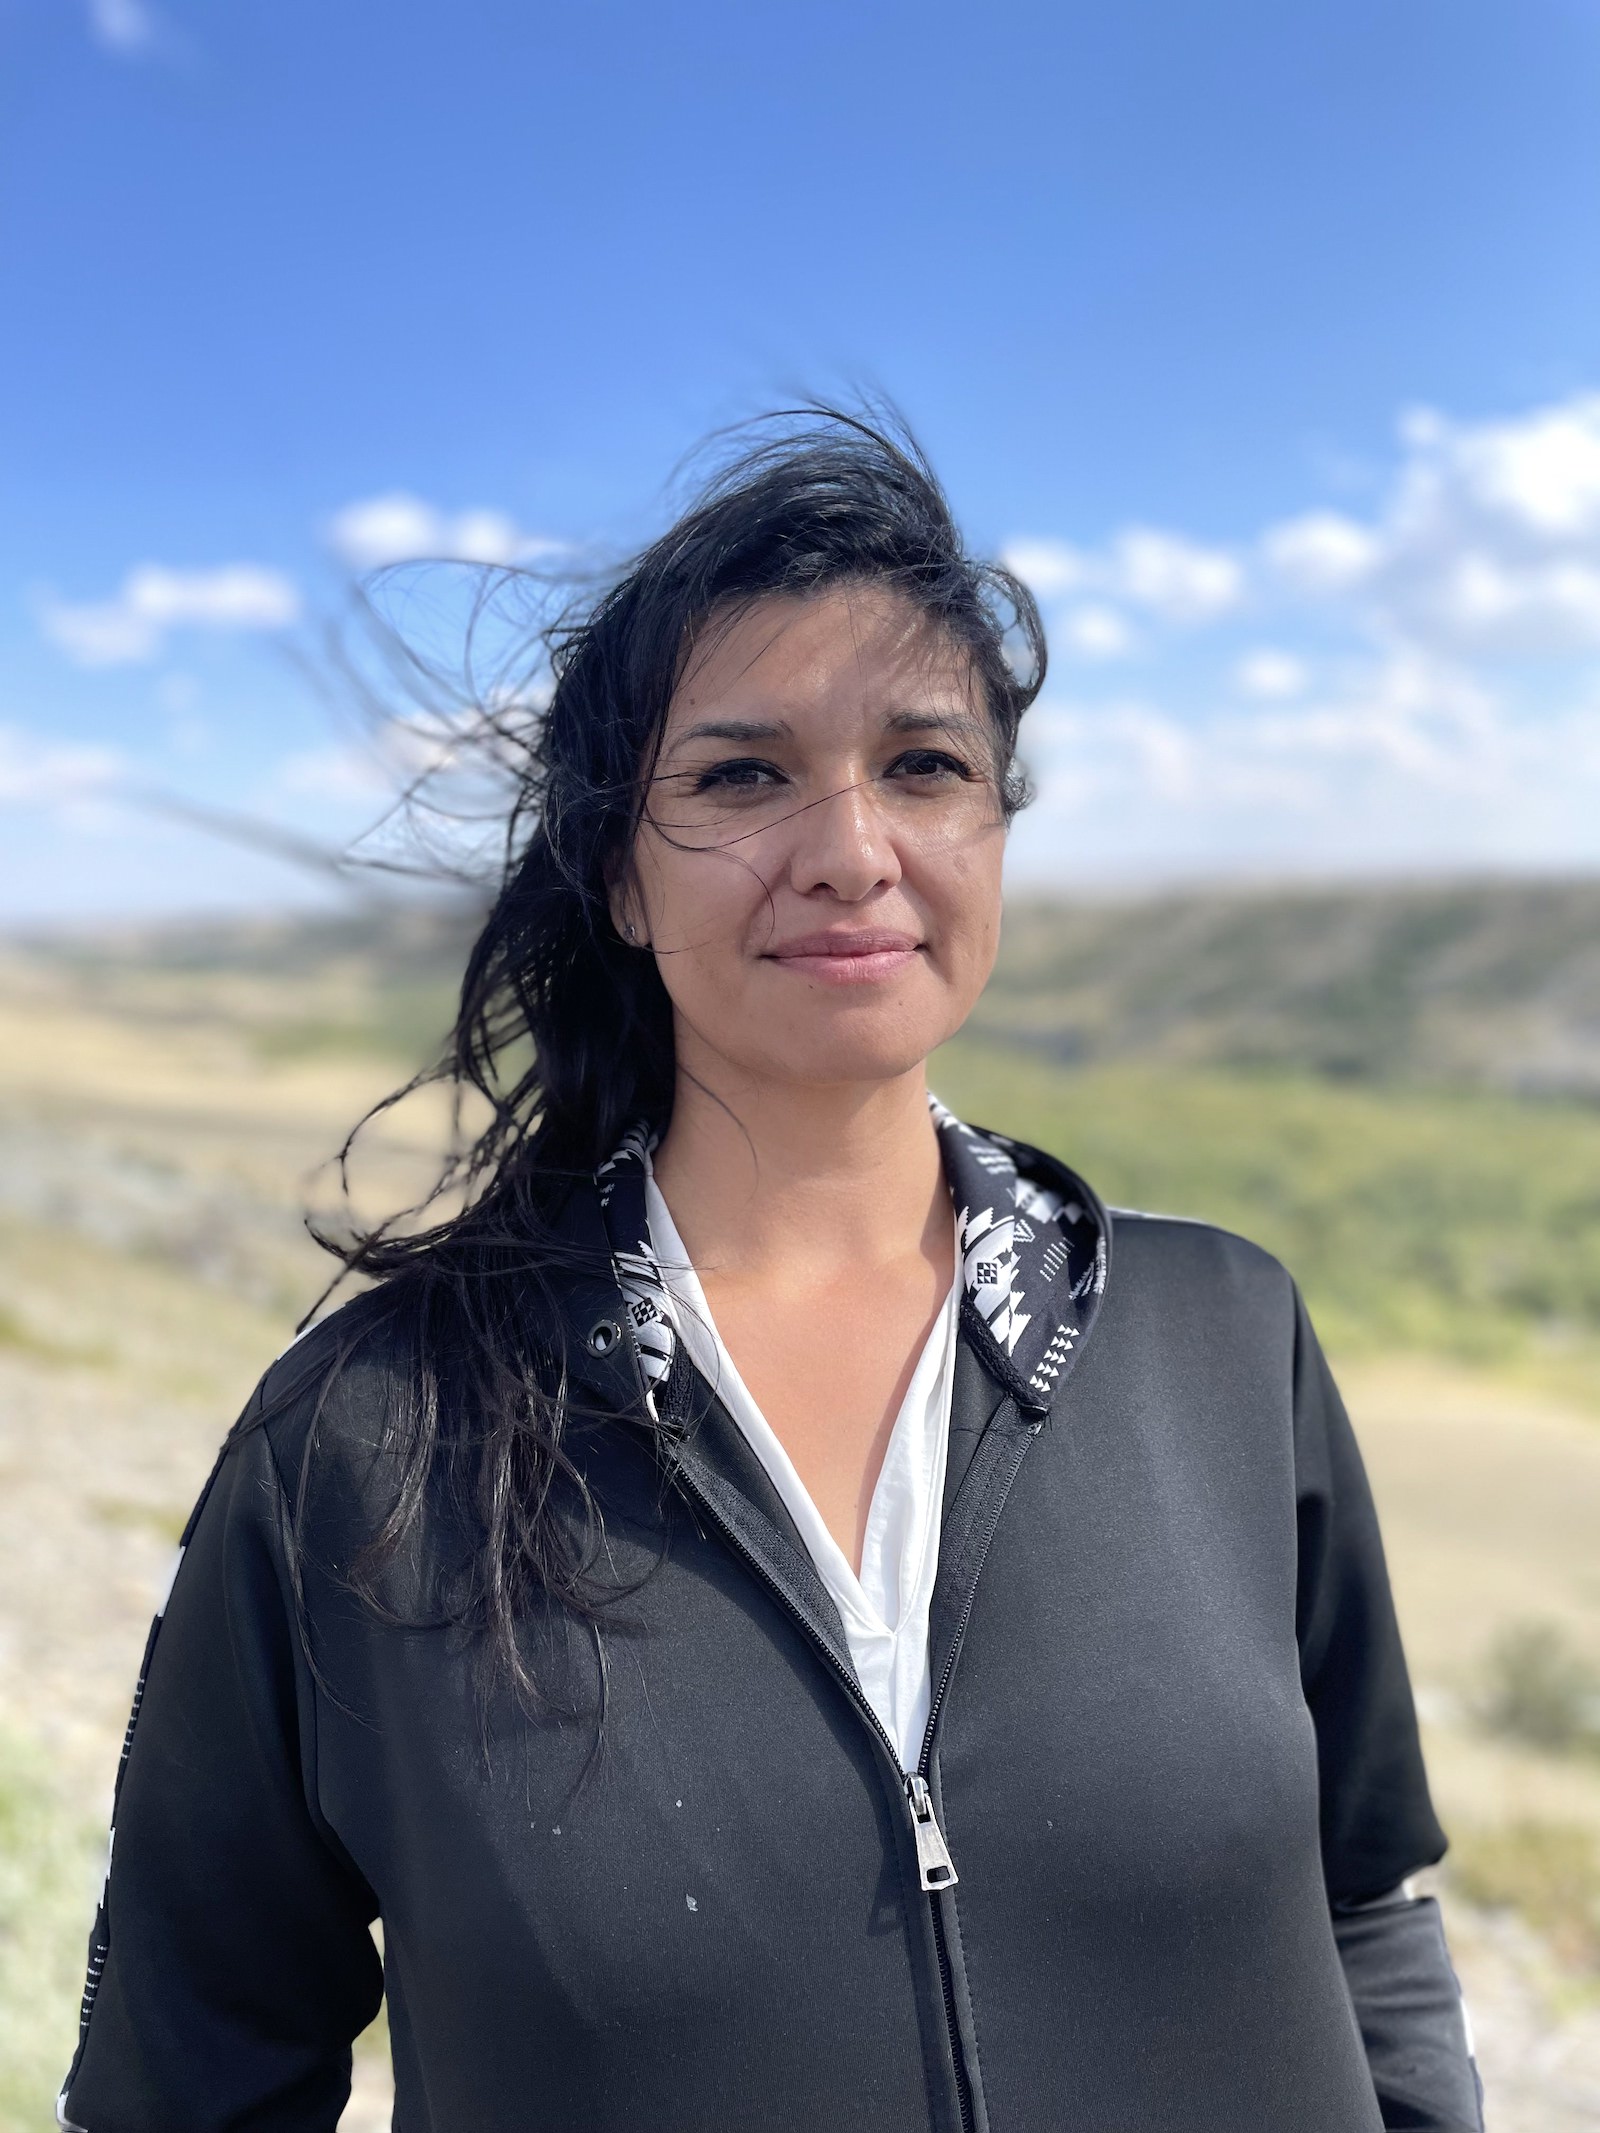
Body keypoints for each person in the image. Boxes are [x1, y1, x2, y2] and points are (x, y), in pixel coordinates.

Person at [60, 412, 1484, 2131]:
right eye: (744, 775)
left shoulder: (1223, 1339)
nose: (853, 847)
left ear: (997, 835)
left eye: (926, 765)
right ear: (619, 877)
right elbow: (185, 2081)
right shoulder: (369, 1448)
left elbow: (1364, 1911)